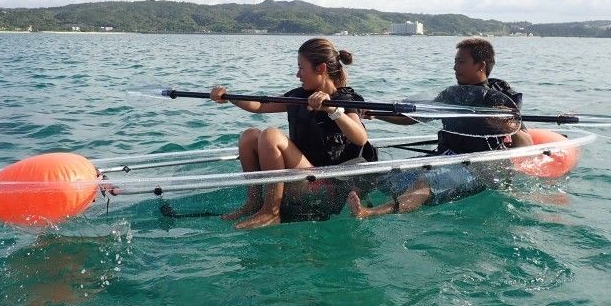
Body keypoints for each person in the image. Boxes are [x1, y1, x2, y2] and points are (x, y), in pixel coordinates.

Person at [348, 37, 532, 218]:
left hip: (480, 168)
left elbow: (526, 144)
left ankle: (369, 213)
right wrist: (377, 113)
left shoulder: (498, 98)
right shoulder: (451, 95)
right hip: (444, 159)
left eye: (461, 62)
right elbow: (414, 118)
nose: (454, 68)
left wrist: (508, 124)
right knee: (379, 173)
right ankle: (360, 199)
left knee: (425, 183)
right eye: (455, 62)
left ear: (480, 65)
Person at [210, 38, 377, 229]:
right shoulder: (299, 95)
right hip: (302, 176)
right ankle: (254, 203)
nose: (297, 74)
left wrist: (332, 110)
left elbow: (360, 137)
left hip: (328, 186)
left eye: (301, 68)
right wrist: (228, 96)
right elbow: (260, 106)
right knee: (249, 136)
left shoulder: (347, 99)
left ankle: (271, 212)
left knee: (271, 135)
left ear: (321, 68)